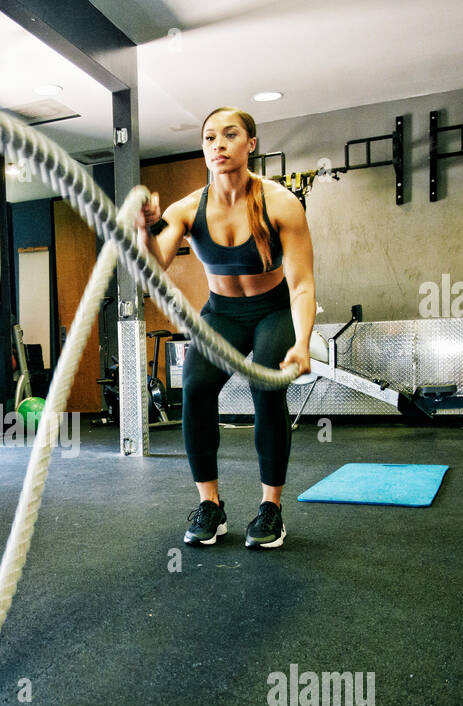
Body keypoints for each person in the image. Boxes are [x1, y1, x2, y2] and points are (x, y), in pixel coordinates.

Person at [137, 107, 316, 550]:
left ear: (250, 144)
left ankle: (270, 508)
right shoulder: (186, 209)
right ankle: (210, 507)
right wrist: (143, 231)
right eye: (209, 138)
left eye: (230, 135)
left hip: (274, 308)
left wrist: (304, 343)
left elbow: (300, 284)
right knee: (195, 387)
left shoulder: (280, 203)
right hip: (222, 312)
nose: (218, 144)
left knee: (266, 387)